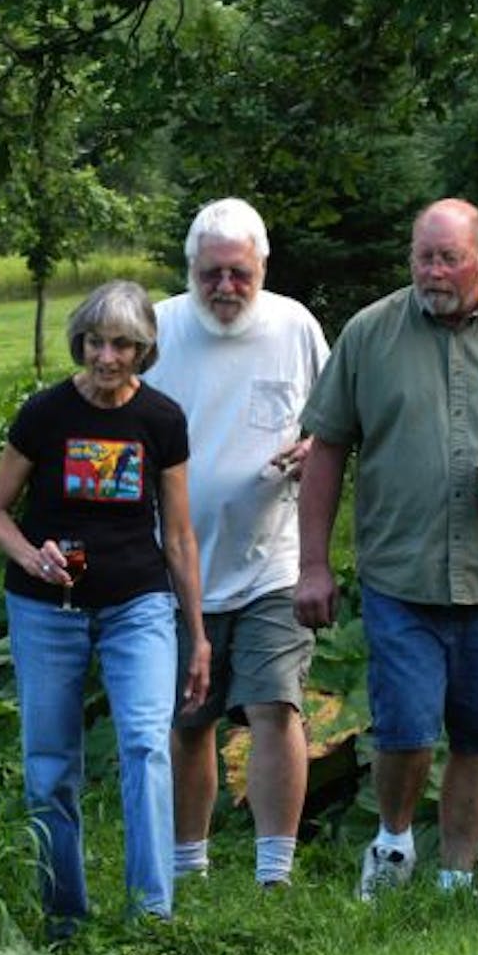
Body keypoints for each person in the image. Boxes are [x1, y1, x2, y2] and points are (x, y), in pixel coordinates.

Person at [293, 198, 478, 901]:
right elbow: (327, 448)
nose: (432, 271)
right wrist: (312, 563)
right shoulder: (370, 333)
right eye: (422, 256)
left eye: (447, 257)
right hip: (402, 572)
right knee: (403, 729)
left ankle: (458, 875)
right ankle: (393, 845)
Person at [0, 280, 211, 936]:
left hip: (137, 603)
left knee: (145, 745)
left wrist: (196, 634)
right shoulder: (45, 413)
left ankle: (152, 912)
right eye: (97, 342)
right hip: (46, 608)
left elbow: (182, 535)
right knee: (50, 763)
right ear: (79, 340)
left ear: (144, 349)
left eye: (124, 345)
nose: (108, 357)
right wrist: (30, 556)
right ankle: (65, 917)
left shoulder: (162, 420)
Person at [144, 198, 330, 888]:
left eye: (239, 273)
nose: (225, 287)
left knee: (275, 704)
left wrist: (314, 446)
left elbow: (333, 421)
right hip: (177, 565)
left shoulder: (295, 326)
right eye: (211, 272)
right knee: (190, 718)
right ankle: (189, 864)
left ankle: (273, 869)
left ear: (262, 268)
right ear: (190, 268)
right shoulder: (158, 329)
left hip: (271, 561)